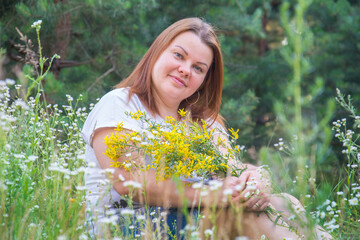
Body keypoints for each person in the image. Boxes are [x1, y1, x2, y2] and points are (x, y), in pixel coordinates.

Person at [81, 17, 331, 239]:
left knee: (286, 203)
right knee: (242, 216)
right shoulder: (119, 104)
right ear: (157, 52)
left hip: (189, 219)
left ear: (204, 80)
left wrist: (255, 178)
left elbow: (231, 169)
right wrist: (213, 196)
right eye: (179, 55)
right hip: (126, 227)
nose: (185, 70)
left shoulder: (204, 121)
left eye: (198, 68)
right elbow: (131, 184)